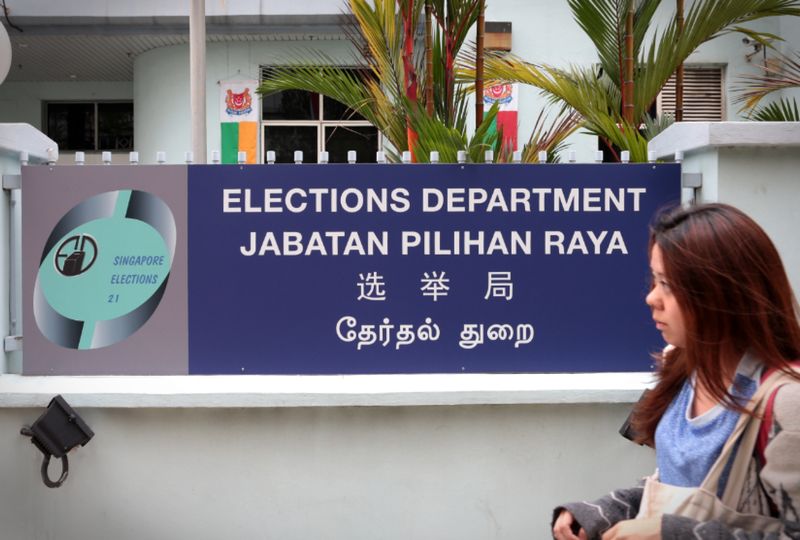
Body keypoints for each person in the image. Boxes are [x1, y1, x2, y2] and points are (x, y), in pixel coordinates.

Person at [552, 203, 800, 540]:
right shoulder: (683, 369)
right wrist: (603, 511)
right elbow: (678, 489)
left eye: (668, 284)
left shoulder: (786, 402)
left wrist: (675, 534)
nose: (652, 298)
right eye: (654, 280)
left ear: (720, 294)